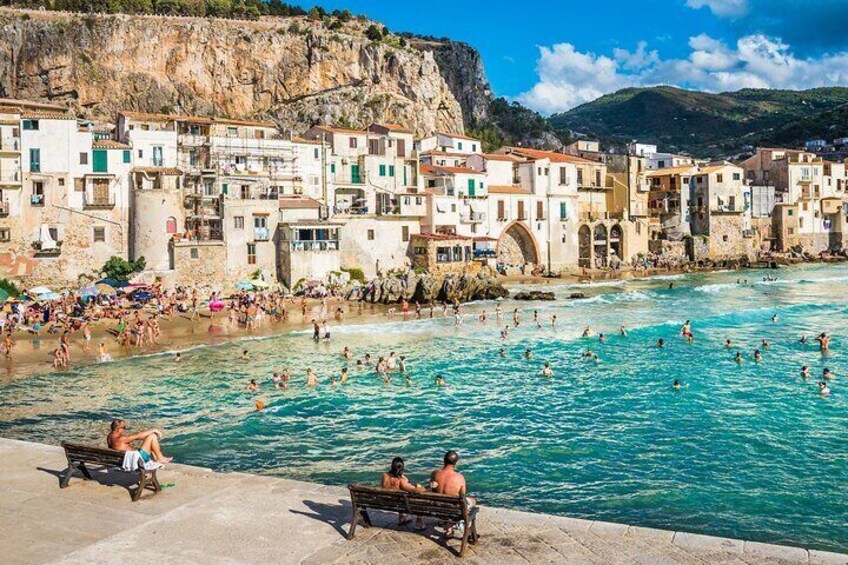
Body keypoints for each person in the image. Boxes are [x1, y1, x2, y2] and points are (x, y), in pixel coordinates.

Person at [429, 451, 475, 537]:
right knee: (473, 501)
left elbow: (432, 489)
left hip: (437, 508)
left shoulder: (434, 474)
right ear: (455, 463)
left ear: (444, 460)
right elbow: (463, 496)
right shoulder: (459, 477)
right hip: (452, 510)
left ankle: (449, 527)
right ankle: (450, 525)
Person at [382, 457, 427, 530]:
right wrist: (428, 487)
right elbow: (415, 491)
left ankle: (402, 517)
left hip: (388, 502)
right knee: (419, 495)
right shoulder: (401, 481)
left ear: (391, 466)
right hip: (401, 504)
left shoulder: (384, 476)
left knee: (399, 494)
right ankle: (419, 522)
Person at [107, 419, 172, 464]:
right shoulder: (121, 438)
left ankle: (157, 458)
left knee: (149, 440)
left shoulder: (110, 437)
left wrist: (145, 436)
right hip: (137, 460)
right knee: (152, 436)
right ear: (119, 428)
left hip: (122, 459)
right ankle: (160, 458)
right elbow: (137, 436)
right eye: (124, 427)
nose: (125, 429)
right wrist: (154, 430)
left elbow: (137, 437)